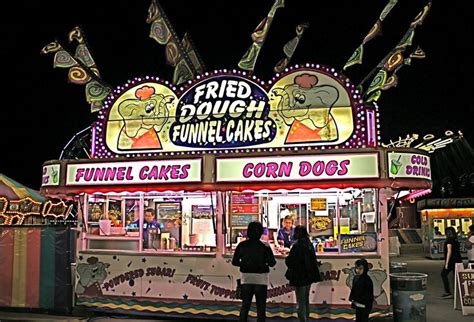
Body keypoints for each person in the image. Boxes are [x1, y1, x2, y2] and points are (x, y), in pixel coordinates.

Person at [232, 221, 276, 322]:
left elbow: (234, 262)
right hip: (261, 279)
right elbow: (272, 263)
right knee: (261, 308)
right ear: (260, 232)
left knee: (245, 306)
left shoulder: (242, 245)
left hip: (246, 278)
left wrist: (244, 264)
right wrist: (263, 263)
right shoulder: (265, 246)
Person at [285, 225, 322, 322]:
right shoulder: (309, 245)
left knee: (300, 301)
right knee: (305, 300)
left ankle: (302, 320)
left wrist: (287, 257)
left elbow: (290, 261)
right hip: (308, 277)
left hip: (299, 277)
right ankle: (306, 318)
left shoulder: (297, 247)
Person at [440, 226, 462, 298]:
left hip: (451, 261)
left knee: (443, 274)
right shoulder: (456, 240)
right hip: (458, 260)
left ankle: (448, 292)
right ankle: (461, 291)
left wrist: (446, 263)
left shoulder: (449, 240)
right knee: (457, 276)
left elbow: (449, 251)